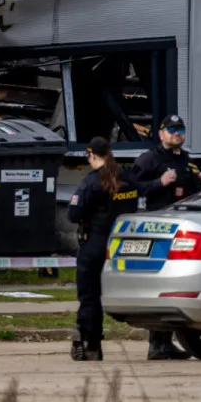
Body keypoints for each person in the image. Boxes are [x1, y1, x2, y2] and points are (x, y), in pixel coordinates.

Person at [122, 115, 201, 359]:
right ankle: (156, 344)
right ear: (161, 133)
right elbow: (129, 186)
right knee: (160, 286)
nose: (176, 133)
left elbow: (188, 192)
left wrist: (199, 184)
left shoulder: (186, 160)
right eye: (171, 129)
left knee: (175, 287)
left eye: (180, 129)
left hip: (181, 228)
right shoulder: (150, 159)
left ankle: (166, 343)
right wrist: (159, 182)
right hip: (158, 228)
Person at [66, 137, 136, 361]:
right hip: (121, 244)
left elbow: (73, 214)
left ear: (92, 155)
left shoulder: (91, 182)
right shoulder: (127, 178)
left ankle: (90, 343)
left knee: (89, 295)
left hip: (95, 243)